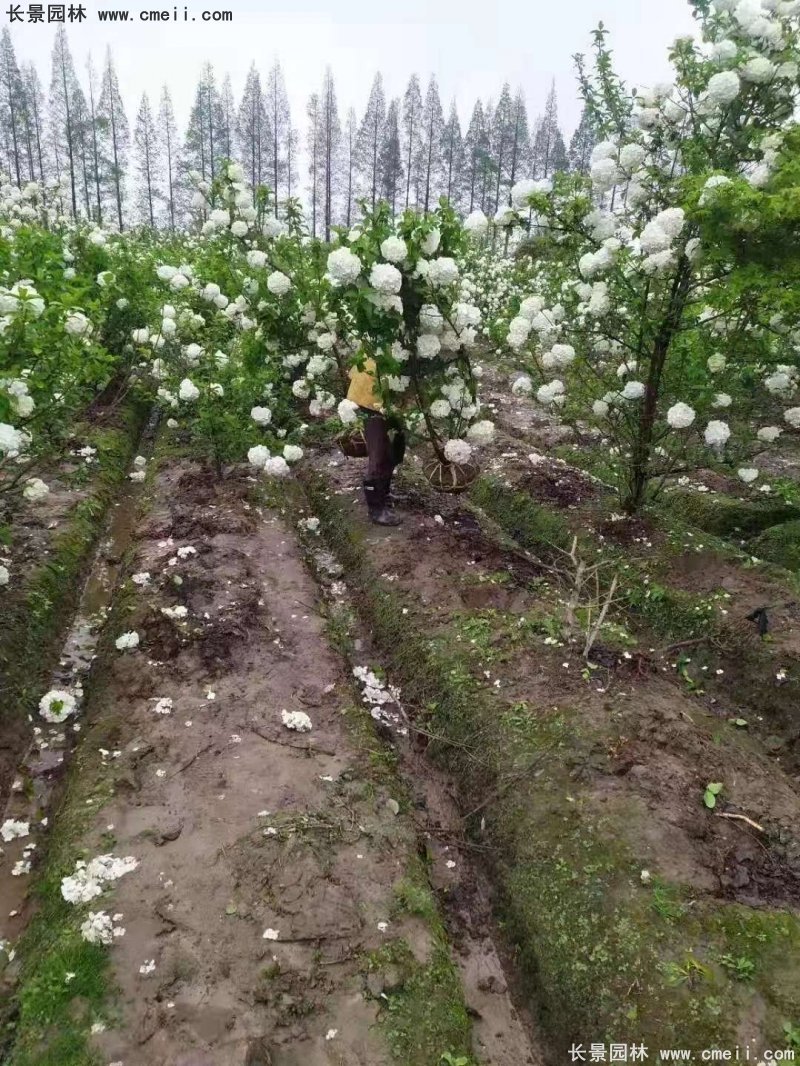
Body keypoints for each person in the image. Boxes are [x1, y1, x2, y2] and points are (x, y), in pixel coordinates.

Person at [346, 356, 406, 527]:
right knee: (379, 449)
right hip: (372, 391)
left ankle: (384, 493)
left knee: (395, 447)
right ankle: (376, 508)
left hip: (391, 388)